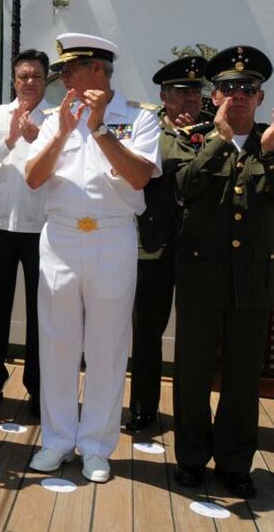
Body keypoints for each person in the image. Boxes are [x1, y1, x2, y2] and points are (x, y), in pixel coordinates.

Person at [24, 34, 160, 483]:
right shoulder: (54, 119)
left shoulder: (139, 118)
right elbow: (33, 178)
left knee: (107, 346)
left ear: (97, 69)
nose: (63, 78)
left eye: (71, 69)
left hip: (112, 236)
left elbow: (139, 177)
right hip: (61, 237)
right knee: (57, 343)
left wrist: (100, 129)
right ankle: (58, 440)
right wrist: (64, 132)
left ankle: (97, 447)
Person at [172, 45, 274, 498]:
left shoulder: (271, 142)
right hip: (201, 277)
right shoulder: (193, 138)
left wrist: (262, 154)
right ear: (214, 96)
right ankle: (192, 458)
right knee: (192, 372)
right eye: (229, 88)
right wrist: (220, 141)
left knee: (242, 376)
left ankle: (235, 463)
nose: (238, 95)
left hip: (252, 279)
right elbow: (183, 186)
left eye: (248, 88)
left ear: (260, 98)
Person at [125, 55, 206, 432]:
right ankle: (144, 408)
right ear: (164, 96)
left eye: (196, 92)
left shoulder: (213, 131)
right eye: (182, 92)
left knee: (195, 334)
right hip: (152, 245)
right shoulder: (146, 129)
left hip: (197, 246)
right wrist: (185, 141)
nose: (191, 99)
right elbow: (148, 167)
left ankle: (193, 415)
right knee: (147, 332)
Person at [0, 50, 52, 417]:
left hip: (41, 228)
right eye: (23, 76)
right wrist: (12, 137)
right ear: (13, 80)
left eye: (36, 76)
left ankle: (38, 387)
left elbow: (62, 164)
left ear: (46, 80)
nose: (29, 82)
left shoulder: (56, 118)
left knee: (41, 312)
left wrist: (36, 139)